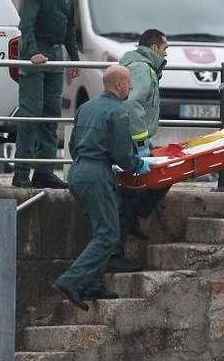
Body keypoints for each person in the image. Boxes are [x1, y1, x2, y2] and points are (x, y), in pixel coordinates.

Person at [52, 66, 150, 311]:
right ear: (119, 85)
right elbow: (122, 154)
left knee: (99, 228)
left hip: (78, 171)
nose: (130, 88)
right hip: (97, 174)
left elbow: (74, 145)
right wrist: (139, 164)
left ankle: (94, 283)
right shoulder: (118, 112)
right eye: (128, 84)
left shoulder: (86, 108)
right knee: (108, 234)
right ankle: (71, 280)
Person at [13, 0, 81, 189]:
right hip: (36, 51)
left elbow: (69, 27)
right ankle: (21, 172)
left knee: (51, 115)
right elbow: (26, 24)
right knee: (31, 114)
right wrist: (32, 53)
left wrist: (74, 57)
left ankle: (44, 170)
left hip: (54, 52)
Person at [107, 29, 172, 272]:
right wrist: (141, 143)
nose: (167, 53)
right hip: (135, 140)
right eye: (165, 48)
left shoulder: (139, 66)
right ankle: (124, 236)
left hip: (132, 140)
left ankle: (134, 217)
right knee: (135, 192)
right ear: (155, 48)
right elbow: (133, 104)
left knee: (148, 183)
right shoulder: (143, 69)